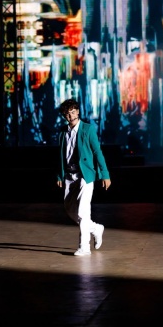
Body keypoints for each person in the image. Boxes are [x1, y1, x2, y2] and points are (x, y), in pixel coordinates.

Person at [57, 98, 111, 256]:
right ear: (64, 116)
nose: (71, 116)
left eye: (73, 112)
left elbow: (97, 152)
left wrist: (105, 174)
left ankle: (84, 247)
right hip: (69, 176)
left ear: (78, 112)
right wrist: (60, 175)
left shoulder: (88, 129)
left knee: (82, 212)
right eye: (67, 114)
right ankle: (96, 228)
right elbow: (61, 156)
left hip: (85, 175)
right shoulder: (63, 132)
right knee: (70, 209)